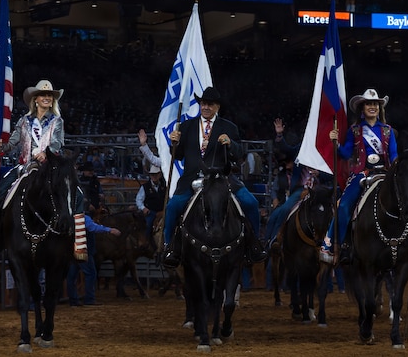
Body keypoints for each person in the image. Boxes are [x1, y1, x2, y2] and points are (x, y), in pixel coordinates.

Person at [319, 87, 408, 264]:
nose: (372, 107)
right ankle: (340, 246)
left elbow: (393, 155)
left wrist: (396, 169)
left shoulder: (387, 131)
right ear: (362, 108)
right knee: (344, 206)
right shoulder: (355, 130)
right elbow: (346, 154)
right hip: (361, 175)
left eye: (375, 104)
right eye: (369, 104)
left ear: (380, 108)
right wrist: (335, 143)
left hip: (385, 173)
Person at [0, 79, 88, 261]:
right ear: (35, 99)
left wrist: (46, 153)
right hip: (26, 167)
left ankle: (78, 244)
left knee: (78, 195)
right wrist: (1, 146)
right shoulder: (24, 121)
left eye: (49, 96)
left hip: (50, 167)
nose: (46, 98)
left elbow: (57, 142)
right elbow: (13, 143)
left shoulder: (57, 121)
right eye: (43, 95)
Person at [161, 87, 266, 268]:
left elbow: (239, 153)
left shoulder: (228, 127)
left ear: (217, 106)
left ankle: (254, 244)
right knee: (172, 207)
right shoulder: (185, 127)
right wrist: (174, 143)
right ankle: (169, 247)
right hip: (191, 179)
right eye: (203, 103)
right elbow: (177, 157)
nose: (205, 107)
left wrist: (230, 143)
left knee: (251, 203)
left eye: (210, 104)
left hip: (222, 178)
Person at [264, 118, 325, 246]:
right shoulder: (300, 149)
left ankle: (334, 244)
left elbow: (332, 173)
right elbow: (286, 149)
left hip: (320, 190)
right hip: (301, 190)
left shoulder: (325, 151)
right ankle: (275, 238)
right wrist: (279, 134)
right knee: (285, 209)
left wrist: (320, 173)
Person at [67, 215, 121, 306]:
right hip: (83, 249)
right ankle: (89, 299)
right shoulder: (84, 217)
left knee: (72, 276)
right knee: (91, 273)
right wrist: (109, 230)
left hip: (72, 249)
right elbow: (92, 227)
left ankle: (73, 300)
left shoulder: (69, 217)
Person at [136, 163, 166, 235]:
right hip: (151, 212)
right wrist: (143, 208)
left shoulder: (165, 186)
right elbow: (139, 200)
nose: (154, 176)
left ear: (160, 175)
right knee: (148, 226)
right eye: (152, 174)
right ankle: (147, 241)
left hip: (163, 212)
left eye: (156, 174)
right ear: (150, 175)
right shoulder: (145, 187)